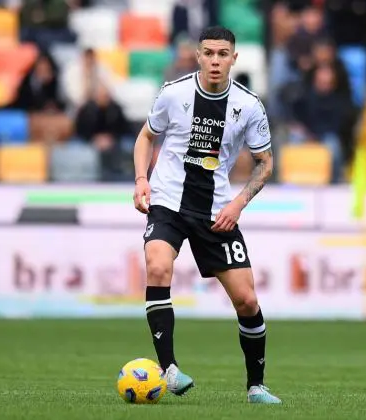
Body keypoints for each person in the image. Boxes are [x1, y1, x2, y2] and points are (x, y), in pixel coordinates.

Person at [132, 26, 281, 404]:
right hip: (168, 201)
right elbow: (147, 136)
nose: (215, 61)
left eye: (222, 54)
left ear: (234, 58)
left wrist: (238, 204)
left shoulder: (248, 106)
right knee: (157, 264)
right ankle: (168, 369)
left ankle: (256, 387)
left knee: (246, 300)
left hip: (217, 211)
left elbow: (265, 163)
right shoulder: (173, 93)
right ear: (198, 56)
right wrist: (140, 180)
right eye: (209, 53)